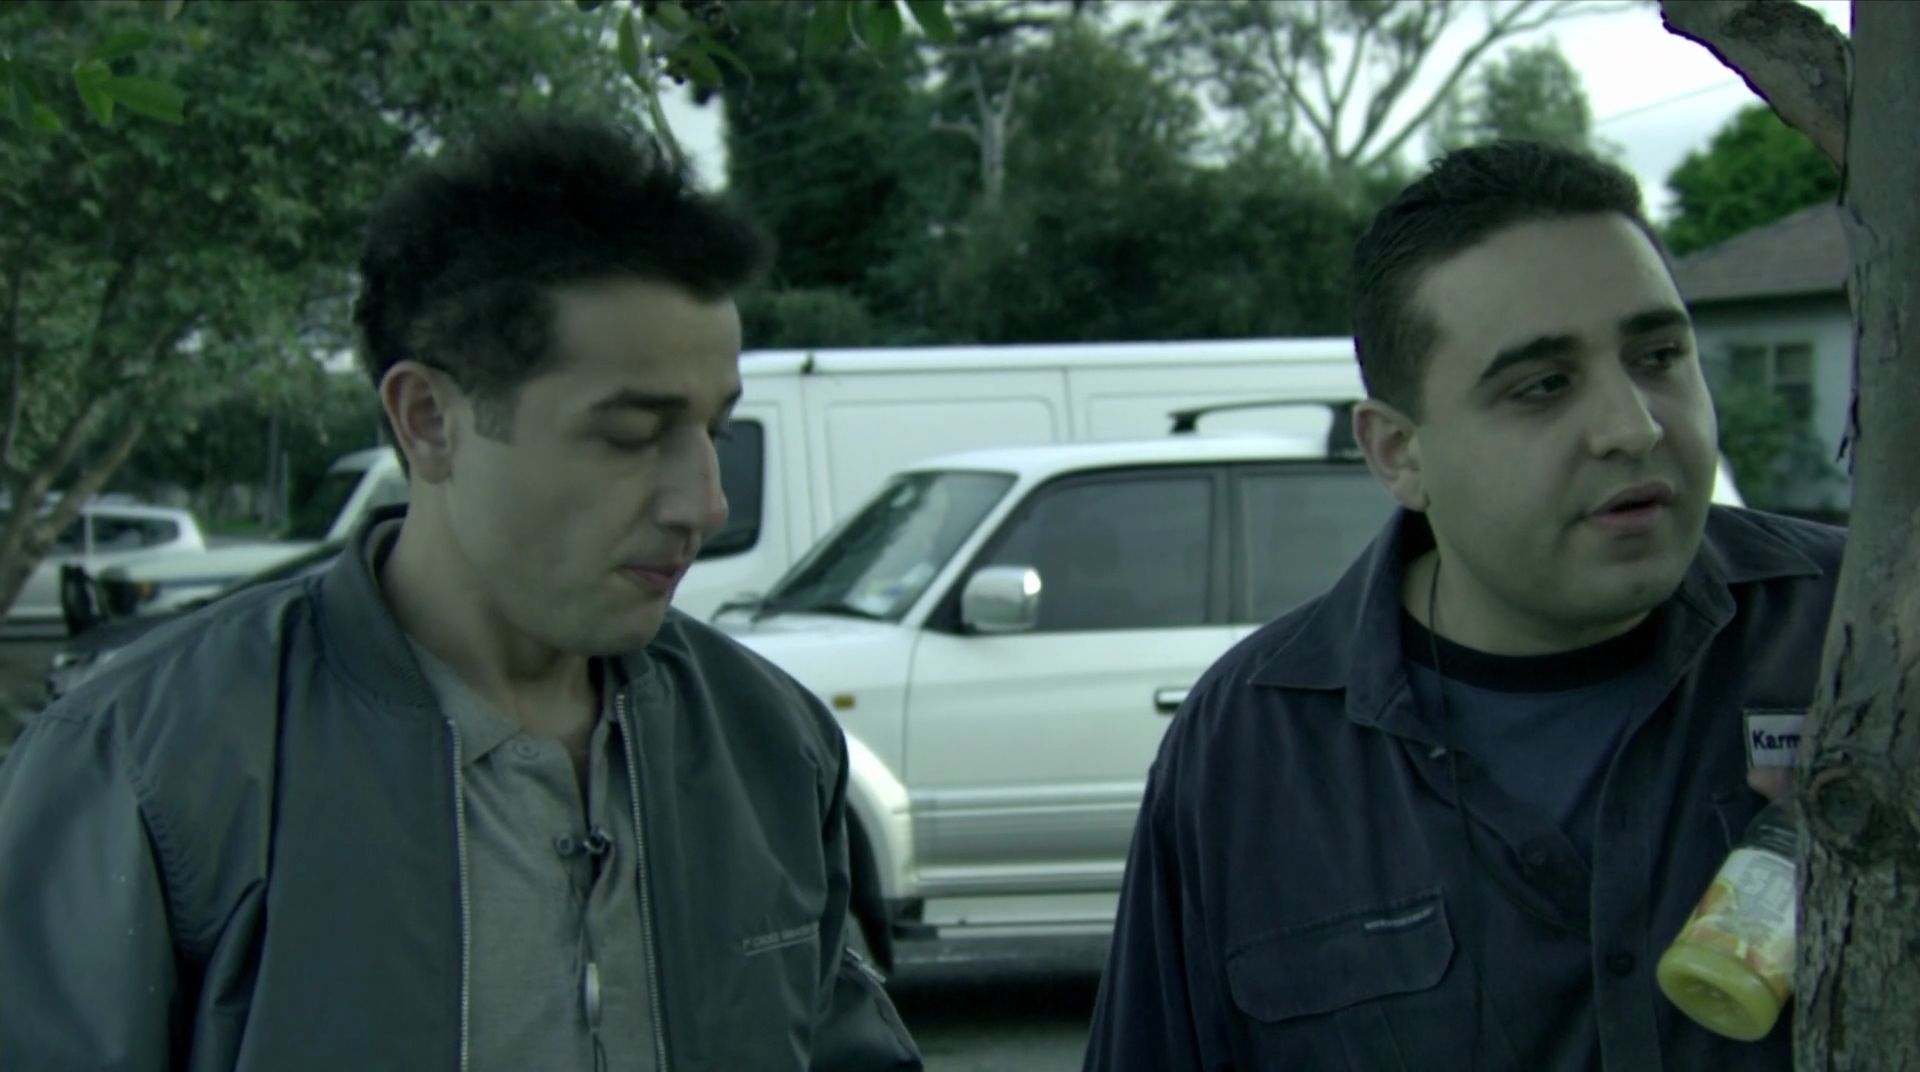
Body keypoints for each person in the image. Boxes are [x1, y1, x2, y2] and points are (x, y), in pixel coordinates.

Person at [0, 115, 922, 1072]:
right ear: (429, 420)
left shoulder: (769, 742)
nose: (705, 502)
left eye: (714, 432)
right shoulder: (148, 763)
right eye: (631, 435)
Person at [1083, 140, 1842, 1070]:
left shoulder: (1857, 634)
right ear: (1398, 453)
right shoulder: (1251, 745)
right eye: (1543, 386)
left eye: (1658, 356)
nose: (1633, 425)